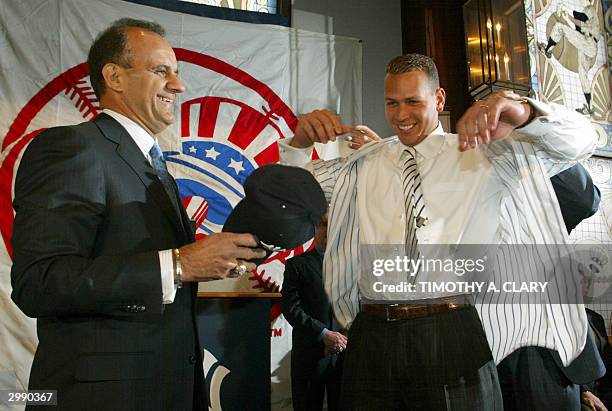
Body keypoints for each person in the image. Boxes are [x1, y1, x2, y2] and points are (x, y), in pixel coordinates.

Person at [278, 53, 597, 409]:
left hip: (452, 330)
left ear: (439, 99)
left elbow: (582, 141)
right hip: (371, 333)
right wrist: (299, 143)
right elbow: (287, 196)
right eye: (391, 103)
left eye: (413, 101)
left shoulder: (483, 154)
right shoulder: (363, 164)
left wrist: (523, 110)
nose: (401, 115)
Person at [10, 18, 264, 411]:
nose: (178, 85)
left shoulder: (152, 164)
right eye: (161, 71)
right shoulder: (73, 148)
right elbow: (40, 281)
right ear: (114, 76)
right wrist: (177, 265)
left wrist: (205, 262)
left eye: (176, 73)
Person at [282, 211, 345, 411]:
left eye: (333, 225)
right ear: (316, 228)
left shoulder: (352, 266)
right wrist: (324, 335)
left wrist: (342, 339)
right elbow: (291, 308)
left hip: (344, 357)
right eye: (324, 224)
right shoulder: (296, 265)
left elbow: (359, 306)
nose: (328, 230)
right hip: (309, 357)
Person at [538, 0, 600, 115]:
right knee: (583, 74)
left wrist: (566, 9)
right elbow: (579, 30)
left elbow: (582, 17)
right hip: (589, 46)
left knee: (559, 27)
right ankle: (590, 107)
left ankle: (547, 51)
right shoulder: (590, 18)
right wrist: (567, 18)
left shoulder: (590, 8)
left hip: (588, 43)